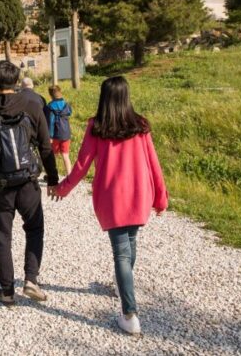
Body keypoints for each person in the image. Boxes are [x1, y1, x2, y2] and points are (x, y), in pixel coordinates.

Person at [53, 76, 168, 336]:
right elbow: (154, 164)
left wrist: (63, 188)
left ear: (104, 97)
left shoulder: (97, 126)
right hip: (139, 195)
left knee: (122, 254)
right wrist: (160, 197)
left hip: (112, 199)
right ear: (126, 96)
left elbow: (81, 165)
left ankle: (130, 313)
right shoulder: (140, 126)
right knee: (130, 245)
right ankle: (121, 284)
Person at [0, 60, 60, 306]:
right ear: (18, 80)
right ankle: (31, 279)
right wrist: (52, 178)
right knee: (34, 229)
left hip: (0, 184)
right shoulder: (32, 104)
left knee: (2, 236)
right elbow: (45, 145)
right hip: (28, 182)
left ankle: (7, 290)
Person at [44, 85, 73, 174]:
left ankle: (52, 174)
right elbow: (69, 113)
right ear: (60, 92)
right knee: (65, 155)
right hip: (66, 134)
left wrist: (50, 136)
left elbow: (51, 122)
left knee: (53, 156)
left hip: (55, 135)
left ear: (50, 95)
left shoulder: (50, 107)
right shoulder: (66, 104)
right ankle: (69, 175)